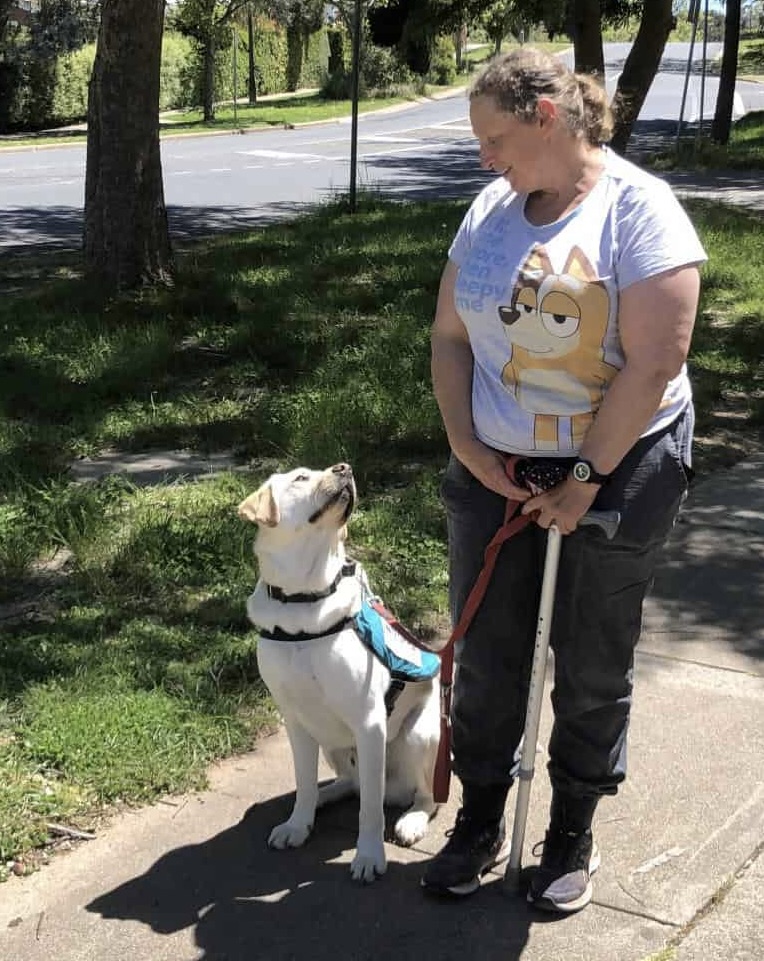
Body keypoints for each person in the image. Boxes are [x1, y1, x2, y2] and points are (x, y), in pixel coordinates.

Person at [422, 47, 707, 913]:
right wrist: (470, 449)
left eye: (494, 138)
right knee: (489, 657)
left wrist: (585, 479)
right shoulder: (490, 209)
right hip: (496, 471)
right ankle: (479, 818)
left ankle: (571, 827)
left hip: (619, 471)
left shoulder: (639, 211)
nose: (484, 158)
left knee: (588, 663)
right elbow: (450, 335)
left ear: (547, 117)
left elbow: (658, 357)